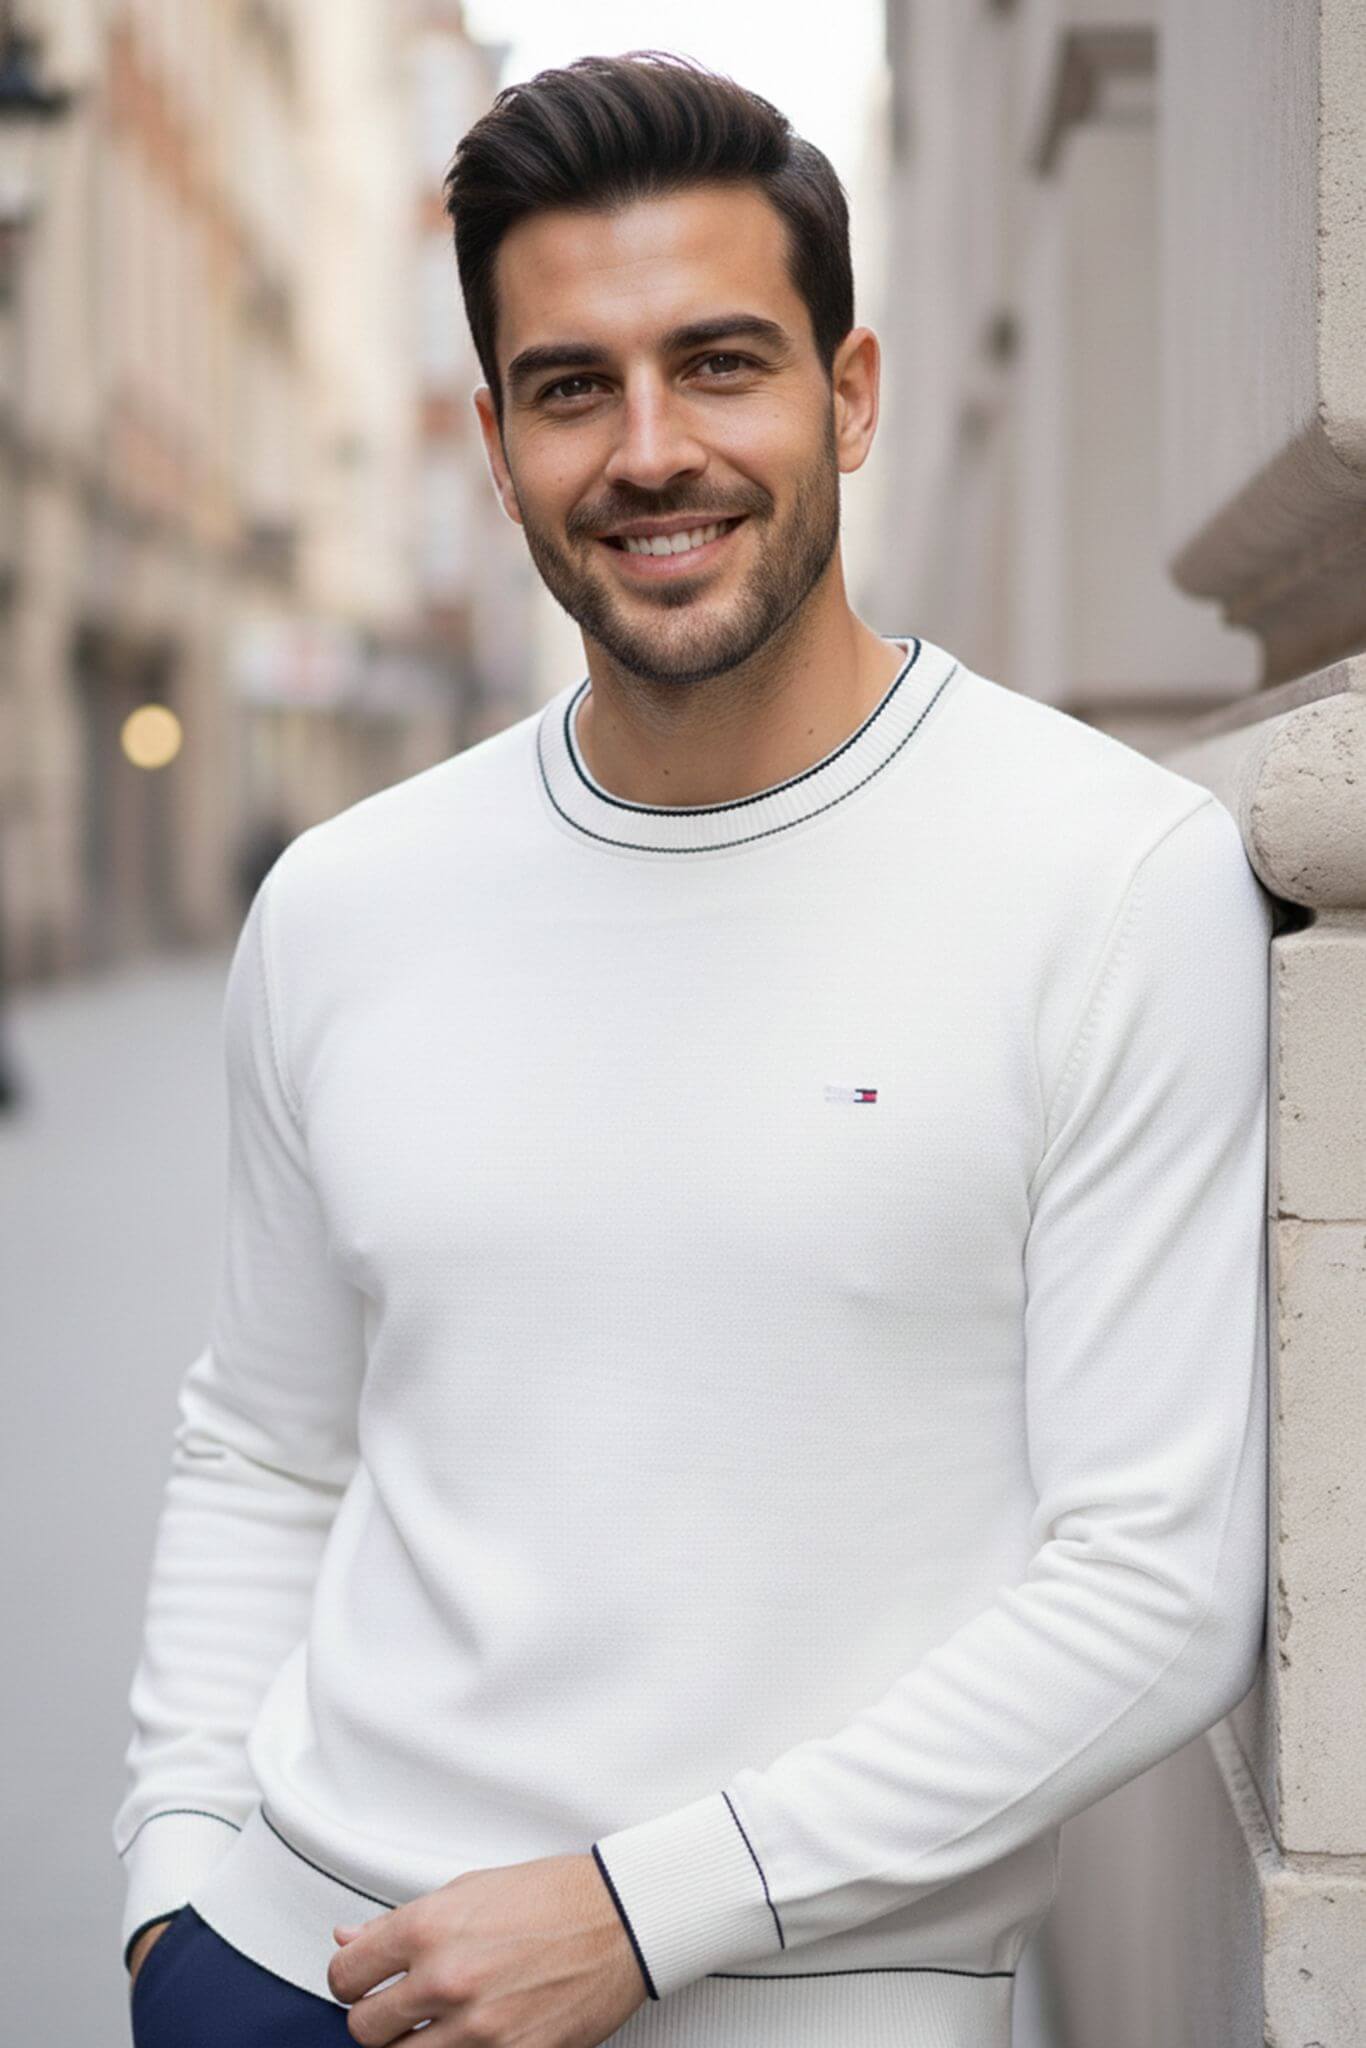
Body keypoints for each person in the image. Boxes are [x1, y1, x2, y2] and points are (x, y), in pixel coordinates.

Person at [113, 49, 1276, 2048]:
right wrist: (173, 1878)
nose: (649, 448)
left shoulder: (1103, 872)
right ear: (494, 444)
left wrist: (640, 1910)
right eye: (572, 386)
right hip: (297, 1969)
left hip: (802, 2000)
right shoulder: (346, 898)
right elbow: (262, 1438)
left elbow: (1149, 1584)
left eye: (719, 362)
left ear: (848, 392)